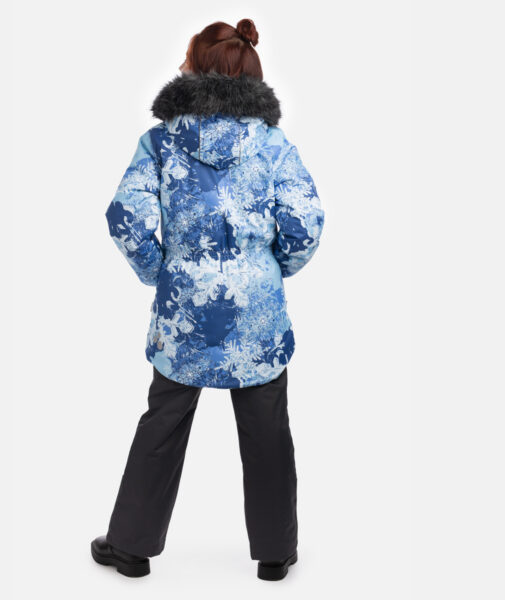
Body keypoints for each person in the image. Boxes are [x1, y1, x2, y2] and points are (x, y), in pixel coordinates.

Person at [91, 18, 325, 581]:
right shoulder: (272, 145)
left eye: (187, 56)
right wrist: (269, 272)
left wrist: (161, 272)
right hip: (257, 319)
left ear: (198, 68)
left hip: (184, 316)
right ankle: (276, 554)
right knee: (268, 428)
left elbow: (125, 218)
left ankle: (130, 547)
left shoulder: (160, 142)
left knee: (163, 421)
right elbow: (306, 224)